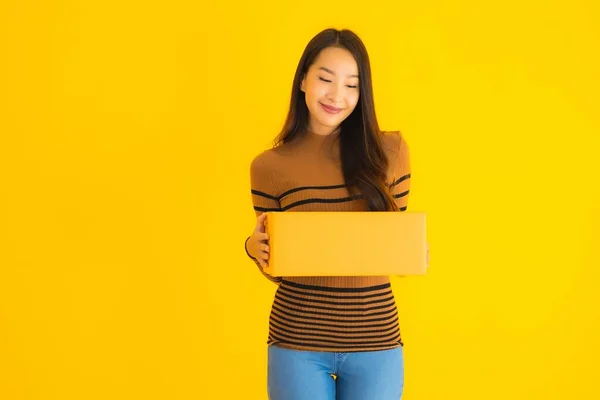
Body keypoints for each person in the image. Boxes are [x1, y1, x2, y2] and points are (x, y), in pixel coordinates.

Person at [244, 28, 419, 400]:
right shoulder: (269, 167)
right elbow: (279, 265)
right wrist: (253, 247)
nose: (337, 96)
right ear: (303, 78)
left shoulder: (391, 152)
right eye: (325, 79)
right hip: (298, 341)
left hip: (375, 339)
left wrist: (411, 250)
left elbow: (389, 250)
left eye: (352, 85)